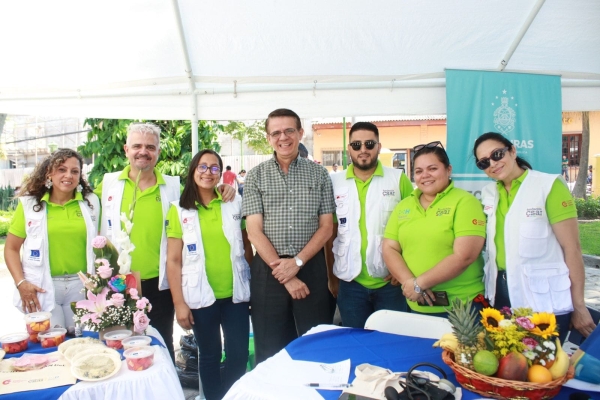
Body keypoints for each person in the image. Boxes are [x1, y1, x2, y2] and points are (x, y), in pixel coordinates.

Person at [473, 132, 596, 341]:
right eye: (484, 162)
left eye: (497, 154)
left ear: (512, 151)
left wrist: (579, 306)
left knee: (543, 368)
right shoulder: (488, 193)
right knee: (510, 367)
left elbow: (572, 248)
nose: (492, 163)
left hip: (544, 300)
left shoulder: (548, 186)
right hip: (501, 293)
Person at [242, 108, 336, 364]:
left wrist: (297, 263)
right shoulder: (255, 176)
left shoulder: (319, 174)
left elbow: (326, 226)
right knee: (270, 350)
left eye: (289, 130)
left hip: (310, 266)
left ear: (300, 133)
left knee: (314, 344)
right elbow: (253, 231)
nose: (283, 137)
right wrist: (285, 274)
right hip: (268, 271)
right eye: (276, 132)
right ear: (268, 137)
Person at [166, 150, 252, 400]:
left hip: (235, 295)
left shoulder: (234, 202)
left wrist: (253, 288)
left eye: (215, 168)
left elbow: (247, 248)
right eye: (202, 167)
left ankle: (233, 396)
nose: (208, 172)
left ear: (221, 173)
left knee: (238, 353)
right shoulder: (179, 210)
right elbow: (173, 260)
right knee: (210, 354)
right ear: (193, 171)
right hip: (200, 296)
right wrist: (179, 304)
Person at [382, 142, 486, 316]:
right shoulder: (404, 205)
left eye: (432, 168)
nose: (425, 176)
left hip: (462, 308)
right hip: (416, 304)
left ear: (448, 169)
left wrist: (419, 283)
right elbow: (389, 247)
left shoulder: (465, 202)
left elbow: (465, 256)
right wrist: (410, 282)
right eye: (419, 171)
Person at [325, 122, 413, 328]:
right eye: (356, 145)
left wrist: (403, 270)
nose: (363, 149)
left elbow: (412, 229)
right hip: (350, 283)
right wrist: (331, 277)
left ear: (378, 147)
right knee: (356, 342)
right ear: (349, 149)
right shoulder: (334, 182)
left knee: (392, 342)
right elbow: (330, 233)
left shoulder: (398, 179)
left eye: (369, 144)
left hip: (391, 282)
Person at [5, 149, 99, 331]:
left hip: (81, 288)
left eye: (74, 171)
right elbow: (11, 248)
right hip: (43, 287)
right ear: (49, 173)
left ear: (80, 176)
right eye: (61, 169)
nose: (68, 176)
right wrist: (21, 283)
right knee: (50, 346)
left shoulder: (91, 203)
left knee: (82, 346)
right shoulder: (30, 205)